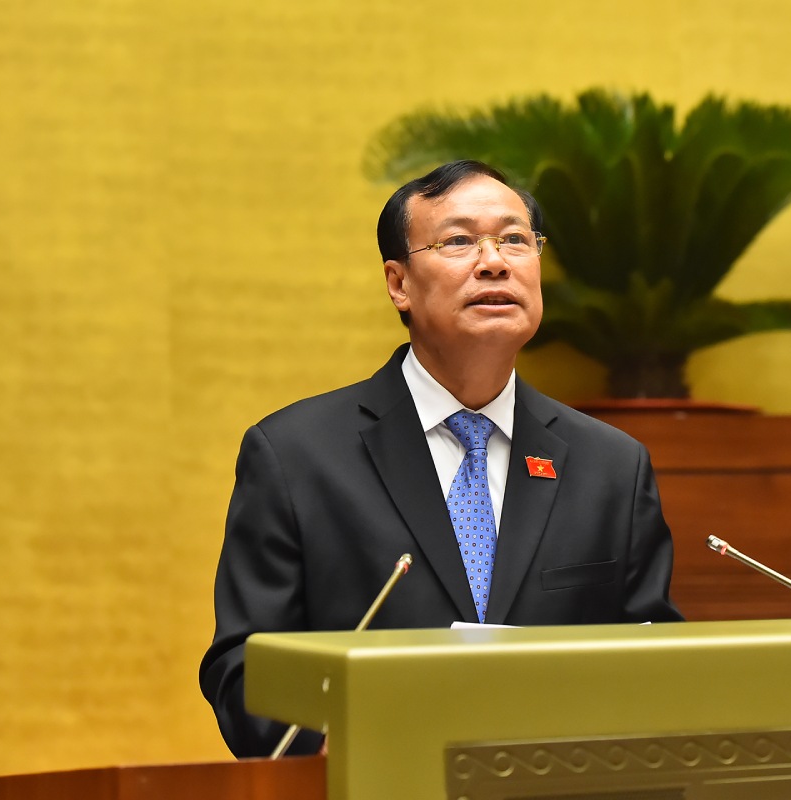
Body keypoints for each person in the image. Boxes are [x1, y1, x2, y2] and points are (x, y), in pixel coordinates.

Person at [198, 160, 682, 758]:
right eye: (458, 241)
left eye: (515, 240)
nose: (495, 262)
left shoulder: (611, 466)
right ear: (398, 283)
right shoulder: (296, 455)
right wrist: (338, 743)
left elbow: (657, 658)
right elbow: (244, 665)